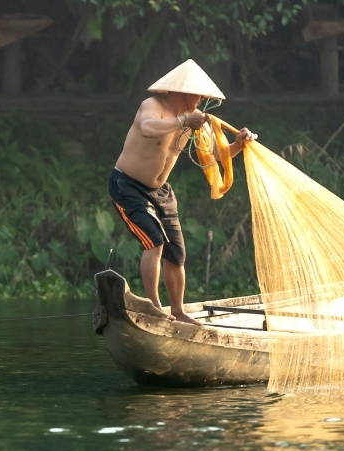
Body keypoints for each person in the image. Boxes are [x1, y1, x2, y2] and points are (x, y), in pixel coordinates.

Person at [110, 60, 256, 325]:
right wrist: (182, 121)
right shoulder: (153, 106)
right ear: (183, 91)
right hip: (128, 186)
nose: (200, 100)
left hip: (161, 190)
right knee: (154, 241)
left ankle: (177, 310)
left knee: (176, 253)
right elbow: (147, 128)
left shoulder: (196, 121)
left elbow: (215, 156)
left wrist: (237, 144)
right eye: (198, 95)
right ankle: (154, 306)